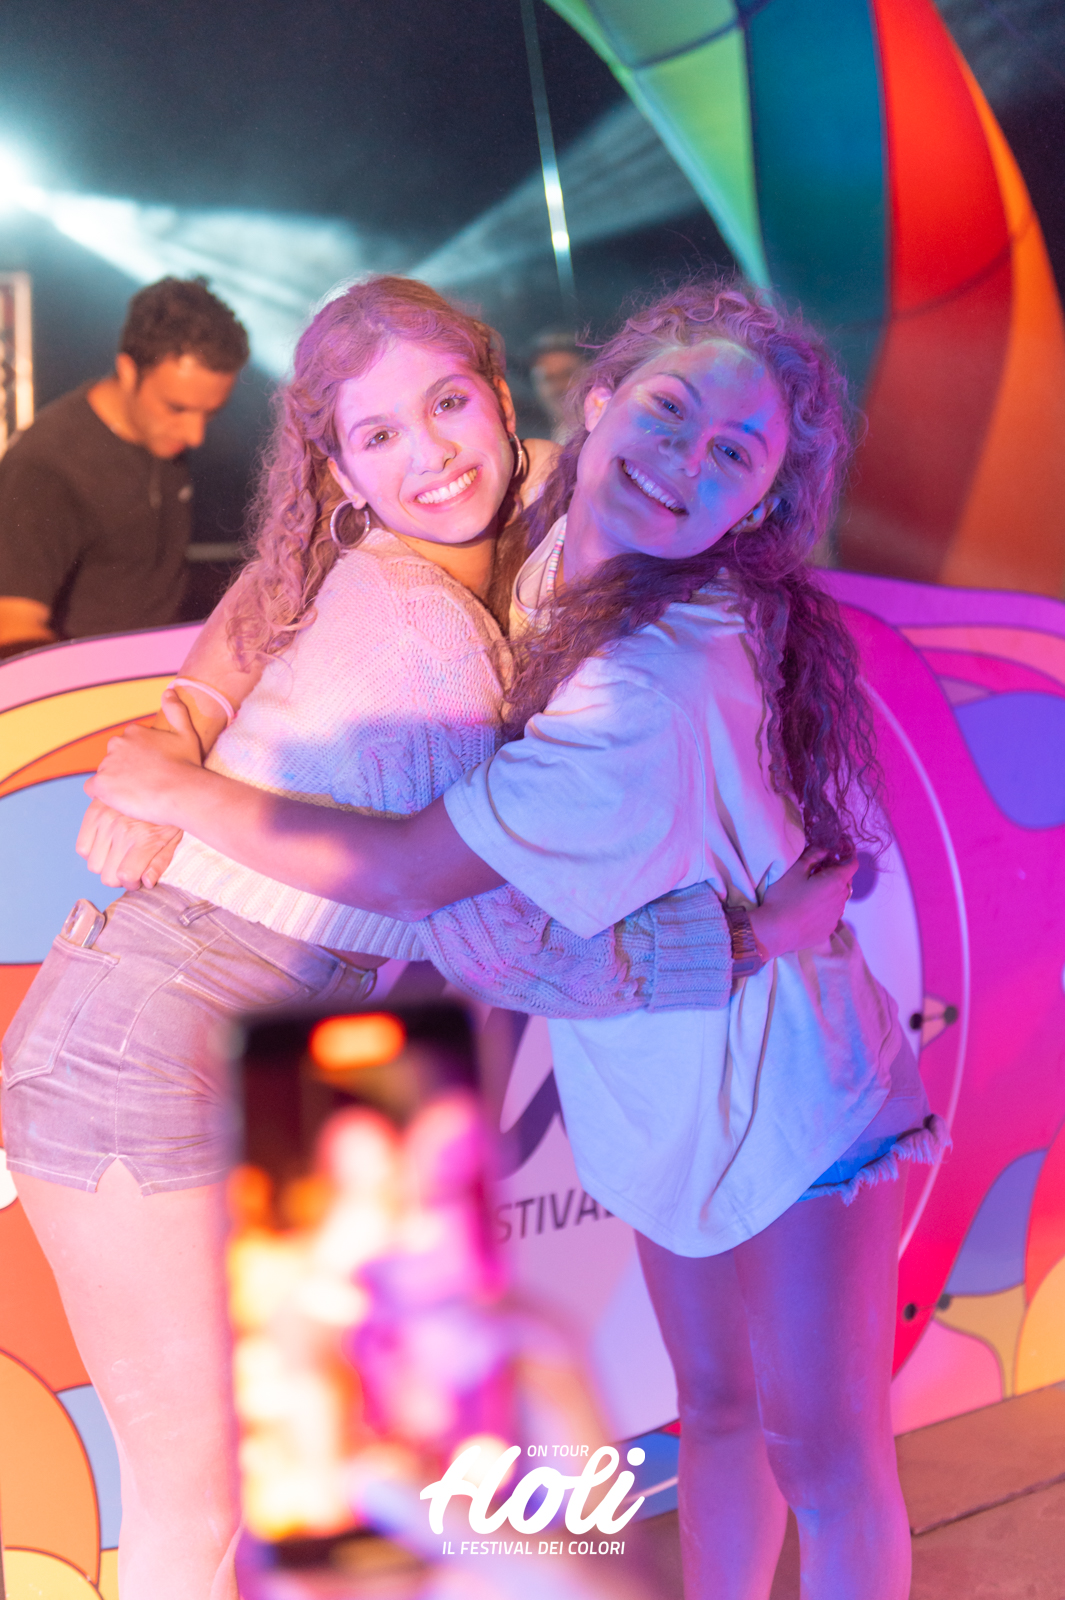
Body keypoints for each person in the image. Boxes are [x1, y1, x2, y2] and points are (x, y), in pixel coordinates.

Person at [90, 281, 950, 1599]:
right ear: (595, 403)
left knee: (824, 1459)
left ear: (758, 503)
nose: (684, 460)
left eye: (734, 454)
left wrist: (173, 791)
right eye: (669, 411)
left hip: (787, 1091)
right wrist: (185, 712)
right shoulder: (554, 513)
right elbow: (295, 553)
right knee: (717, 1413)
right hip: (651, 1085)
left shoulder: (645, 681)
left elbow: (415, 876)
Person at [0, 276, 249, 658]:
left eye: (209, 413)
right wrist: (102, 688)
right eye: (177, 408)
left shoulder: (162, 437)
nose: (195, 434)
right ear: (128, 371)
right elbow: (12, 628)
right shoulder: (44, 469)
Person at [528, 329, 585, 441]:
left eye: (568, 374)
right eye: (548, 378)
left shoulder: (612, 433)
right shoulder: (532, 440)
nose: (559, 387)